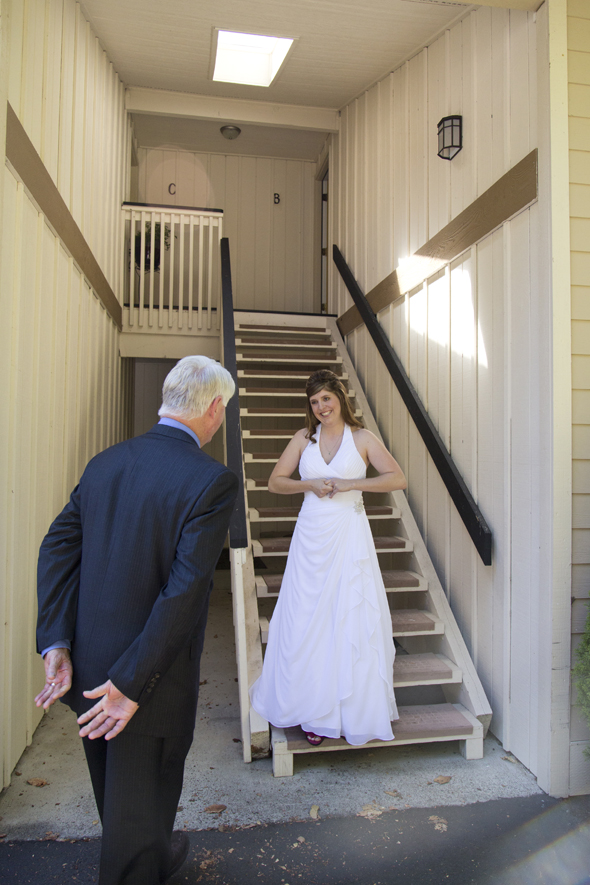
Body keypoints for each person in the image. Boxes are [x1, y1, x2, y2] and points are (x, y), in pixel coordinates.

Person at [35, 355, 238, 885]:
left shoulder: (106, 461)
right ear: (214, 409)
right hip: (149, 680)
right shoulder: (211, 480)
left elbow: (57, 547)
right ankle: (142, 862)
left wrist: (56, 641)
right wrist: (131, 683)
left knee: (120, 800)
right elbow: (185, 592)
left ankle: (155, 852)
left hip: (88, 665)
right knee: (139, 810)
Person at [250, 369, 407, 746]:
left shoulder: (362, 438)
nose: (321, 407)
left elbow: (397, 478)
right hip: (311, 537)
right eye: (314, 401)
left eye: (326, 398)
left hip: (349, 535)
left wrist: (353, 483)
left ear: (339, 397)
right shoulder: (303, 439)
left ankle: (351, 713)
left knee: (348, 616)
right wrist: (308, 484)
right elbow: (275, 482)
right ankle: (310, 710)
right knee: (308, 618)